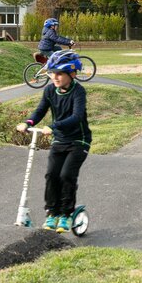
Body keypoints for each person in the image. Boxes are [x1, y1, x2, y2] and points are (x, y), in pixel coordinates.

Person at [16, 50, 91, 233]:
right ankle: (52, 213)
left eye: (59, 73)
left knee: (66, 175)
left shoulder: (78, 92)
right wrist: (29, 122)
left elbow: (76, 116)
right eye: (52, 73)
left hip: (78, 141)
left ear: (72, 74)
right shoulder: (50, 90)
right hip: (59, 140)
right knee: (51, 175)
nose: (55, 77)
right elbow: (41, 110)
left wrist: (54, 126)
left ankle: (65, 215)